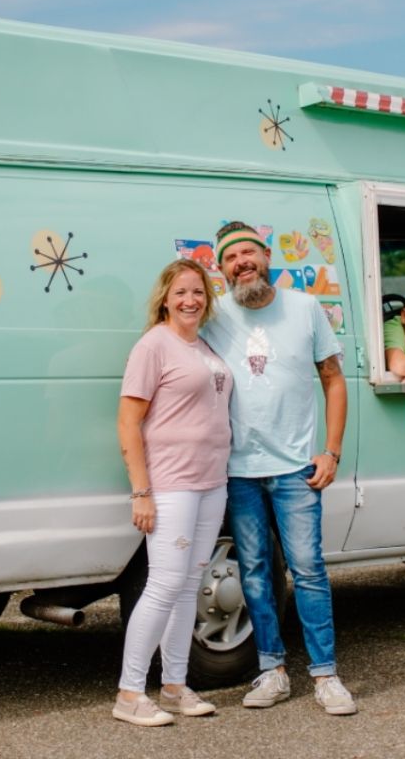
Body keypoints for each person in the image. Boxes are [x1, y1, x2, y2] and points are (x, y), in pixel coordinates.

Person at [201, 222, 357, 716]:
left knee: (309, 570)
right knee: (255, 573)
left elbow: (333, 380)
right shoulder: (213, 315)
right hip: (239, 470)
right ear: (221, 268)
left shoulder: (305, 308)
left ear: (266, 256)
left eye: (249, 252)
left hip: (295, 468)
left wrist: (330, 451)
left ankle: (326, 676)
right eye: (231, 257)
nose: (241, 261)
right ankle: (272, 670)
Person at [113, 258, 232, 727]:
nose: (191, 300)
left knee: (188, 586)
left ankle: (176, 686)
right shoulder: (153, 346)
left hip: (211, 482)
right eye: (181, 292)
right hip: (171, 483)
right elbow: (128, 421)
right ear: (165, 297)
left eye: (199, 292)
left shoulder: (203, 345)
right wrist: (141, 491)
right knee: (163, 585)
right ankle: (128, 693)